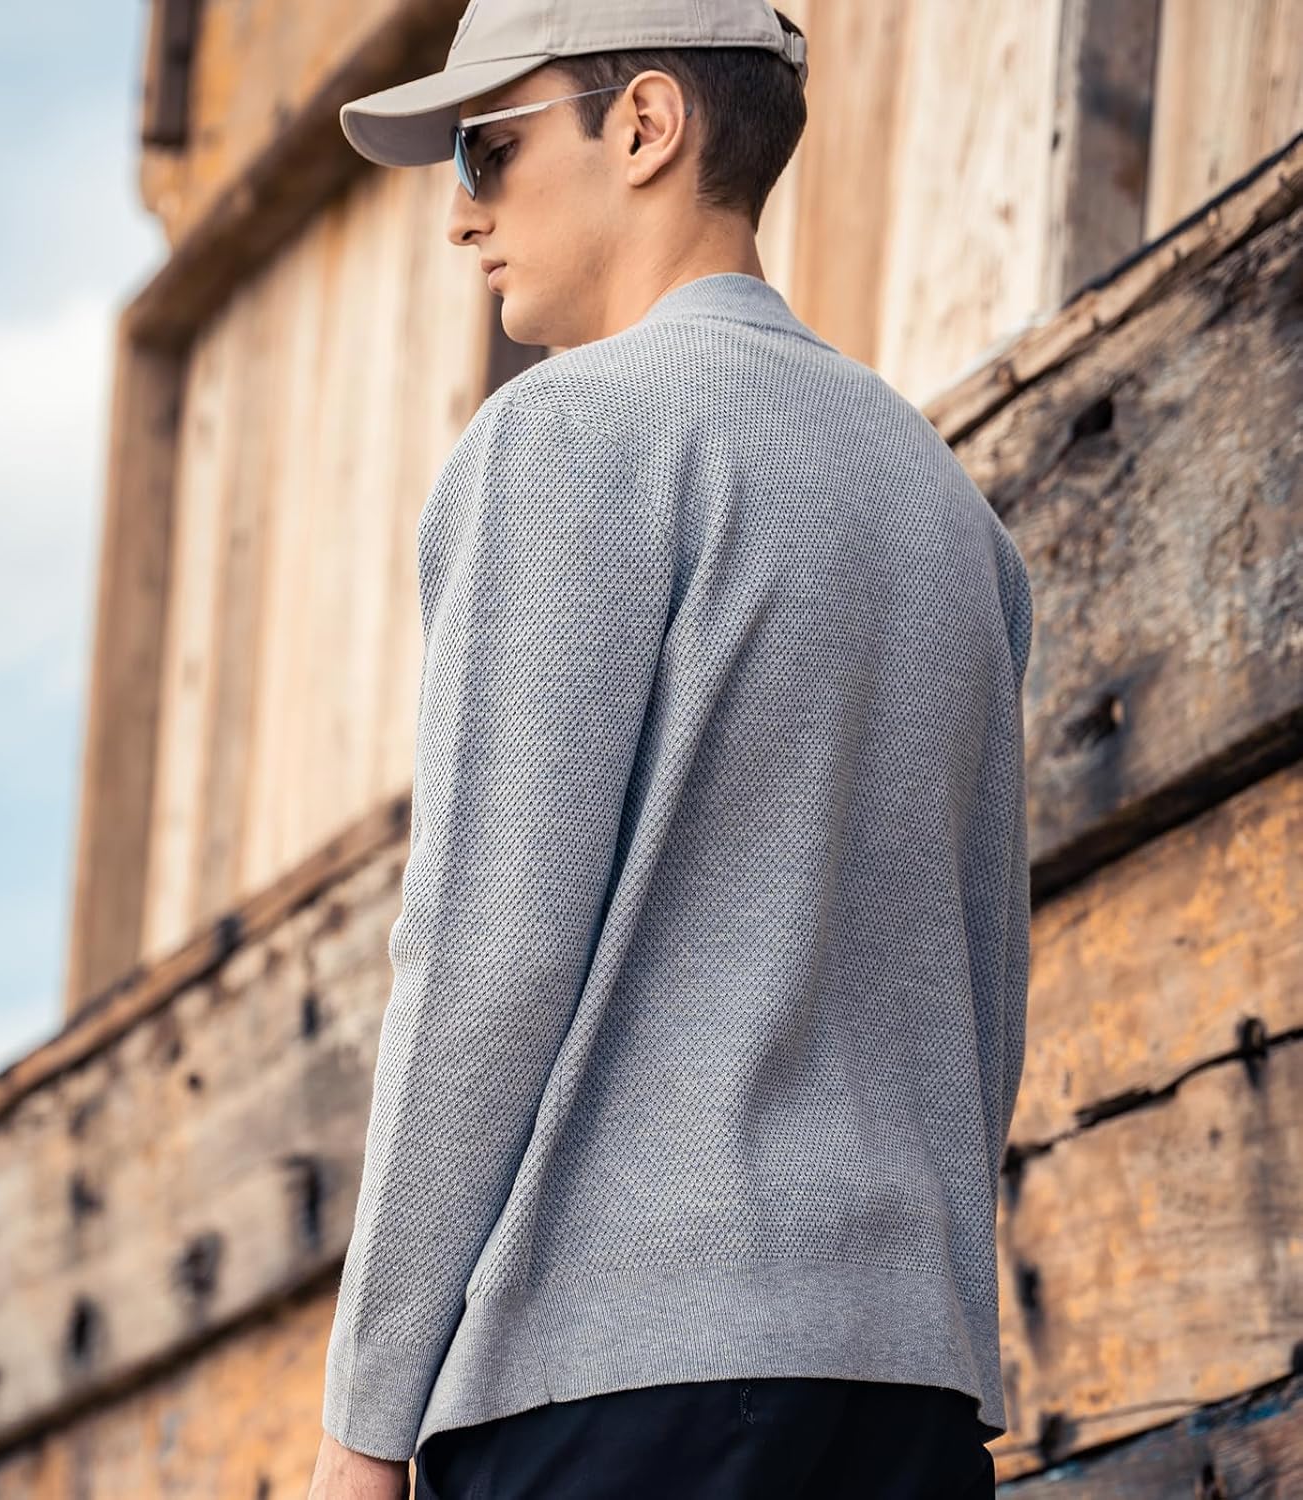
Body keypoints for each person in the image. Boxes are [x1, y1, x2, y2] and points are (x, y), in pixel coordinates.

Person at [308, 2, 1034, 1496]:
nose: (460, 215)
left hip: (618, 1386)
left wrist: (361, 1427)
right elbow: (983, 977)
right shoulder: (948, 510)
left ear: (644, 125)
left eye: (487, 148)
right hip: (904, 1392)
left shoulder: (565, 437)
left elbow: (491, 952)